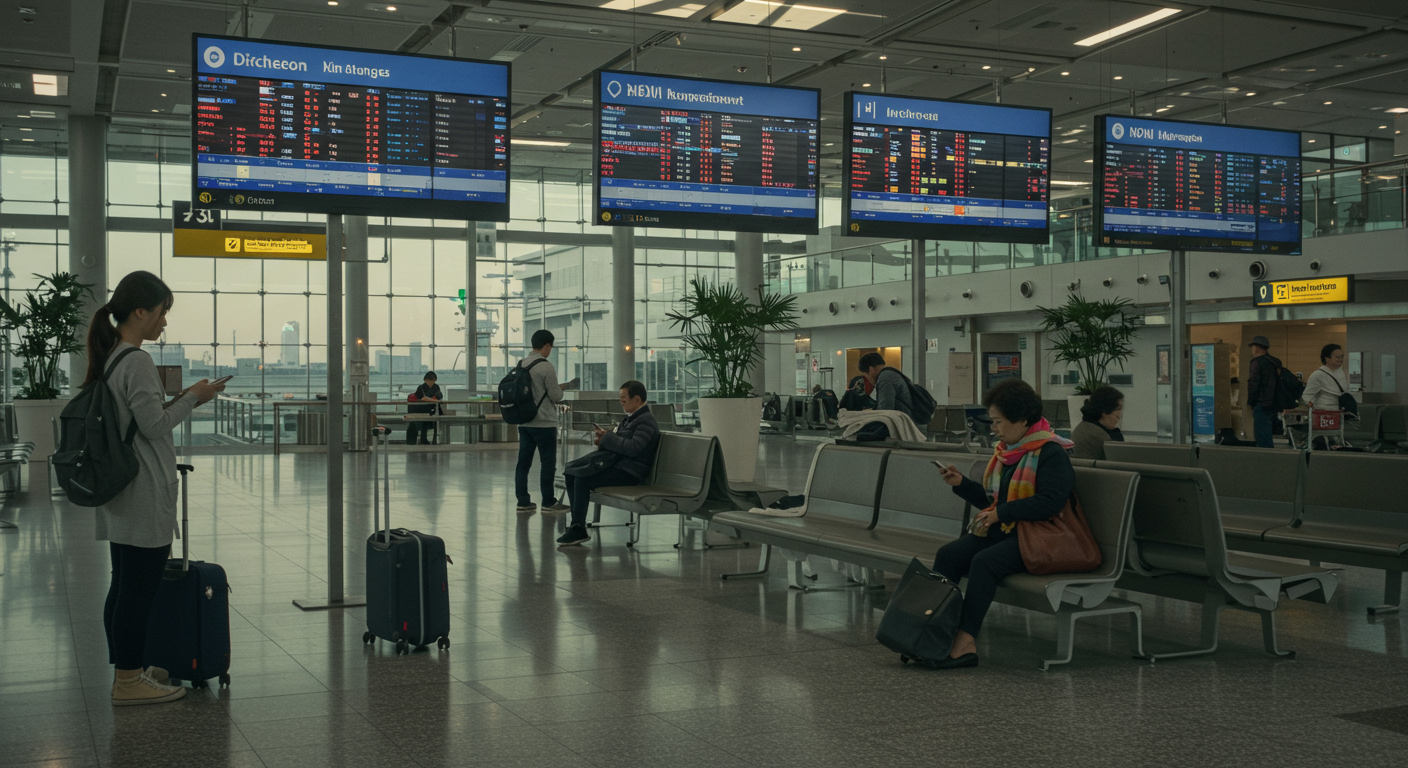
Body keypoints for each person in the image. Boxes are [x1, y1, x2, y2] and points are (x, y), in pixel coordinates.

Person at [93, 271, 224, 705]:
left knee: (123, 585)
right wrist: (195, 399)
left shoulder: (111, 355)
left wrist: (182, 395)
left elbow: (137, 419)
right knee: (138, 592)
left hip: (121, 489)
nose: (164, 322)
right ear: (140, 311)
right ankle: (128, 681)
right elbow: (153, 425)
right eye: (162, 312)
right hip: (143, 488)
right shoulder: (136, 360)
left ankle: (126, 669)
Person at [931, 379, 1074, 669]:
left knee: (984, 562)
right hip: (1008, 532)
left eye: (998, 421)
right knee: (949, 555)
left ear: (1022, 420)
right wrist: (962, 484)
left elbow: (1051, 502)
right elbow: (991, 503)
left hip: (1039, 539)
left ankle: (965, 640)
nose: (993, 428)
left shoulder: (1051, 453)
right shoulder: (1009, 452)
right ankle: (935, 628)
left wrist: (1003, 514)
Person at [556, 380, 660, 547]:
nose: (621, 401)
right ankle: (577, 525)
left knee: (582, 479)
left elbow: (634, 448)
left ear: (637, 399)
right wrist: (607, 437)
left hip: (631, 472)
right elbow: (623, 441)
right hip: (620, 466)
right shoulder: (632, 418)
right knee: (571, 473)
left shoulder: (645, 421)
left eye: (624, 398)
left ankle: (578, 528)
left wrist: (608, 438)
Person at [514, 330, 577, 513]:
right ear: (547, 345)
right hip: (544, 423)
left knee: (523, 463)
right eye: (551, 346)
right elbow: (556, 395)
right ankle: (548, 501)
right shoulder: (546, 366)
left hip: (525, 422)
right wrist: (562, 389)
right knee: (547, 463)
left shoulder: (521, 364)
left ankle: (523, 501)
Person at [855, 352, 922, 441]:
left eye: (866, 375)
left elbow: (885, 409)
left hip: (905, 428)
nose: (867, 379)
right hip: (910, 424)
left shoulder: (885, 378)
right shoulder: (891, 373)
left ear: (871, 369)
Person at [1246, 335, 1282, 449]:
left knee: (1262, 437)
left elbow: (1253, 383)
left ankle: (1266, 460)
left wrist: (1251, 402)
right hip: (1274, 404)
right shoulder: (1275, 362)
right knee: (1268, 434)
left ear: (1256, 348)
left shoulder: (1256, 362)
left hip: (1261, 404)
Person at [1071, 386, 1125, 460]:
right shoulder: (1105, 439)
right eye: (1118, 409)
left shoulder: (1081, 428)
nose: (1119, 415)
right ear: (1105, 412)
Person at [1301, 344, 1352, 413]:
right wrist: (1314, 409)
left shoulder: (1341, 372)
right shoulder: (1318, 375)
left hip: (1342, 412)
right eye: (1337, 357)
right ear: (1327, 359)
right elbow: (1307, 396)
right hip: (1325, 413)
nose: (1341, 359)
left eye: (1342, 357)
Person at [406, 371, 443, 445]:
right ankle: (423, 439)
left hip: (432, 408)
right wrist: (432, 399)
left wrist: (433, 399)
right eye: (429, 380)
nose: (431, 382)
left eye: (433, 380)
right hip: (421, 409)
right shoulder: (421, 387)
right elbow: (423, 398)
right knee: (423, 424)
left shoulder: (436, 387)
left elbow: (439, 396)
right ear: (425, 380)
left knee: (435, 422)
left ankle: (434, 439)